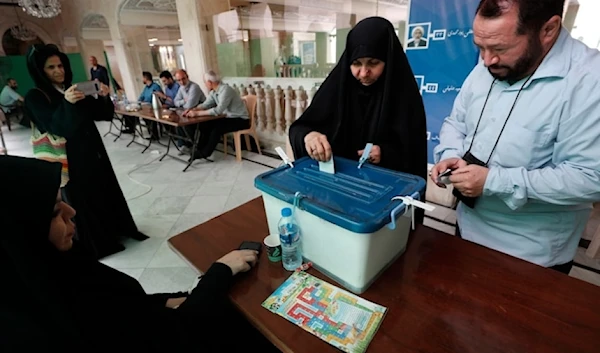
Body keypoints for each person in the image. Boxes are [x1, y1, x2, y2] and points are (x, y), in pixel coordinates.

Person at [0, 156, 280, 352]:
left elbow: (126, 307)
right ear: (22, 233)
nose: (72, 213)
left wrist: (165, 301)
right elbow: (174, 335)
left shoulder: (52, 271)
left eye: (65, 203)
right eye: (54, 213)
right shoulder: (52, 325)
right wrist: (219, 271)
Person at [429, 0, 600, 274]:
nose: (486, 60)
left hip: (531, 254)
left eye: (499, 49)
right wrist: (450, 154)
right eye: (480, 48)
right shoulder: (487, 65)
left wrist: (495, 182)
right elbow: (456, 122)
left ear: (549, 29)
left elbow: (590, 177)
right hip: (466, 226)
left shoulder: (589, 80)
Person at [23, 44, 148, 259]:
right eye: (51, 67)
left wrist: (103, 97)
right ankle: (100, 241)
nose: (58, 71)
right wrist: (67, 103)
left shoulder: (73, 88)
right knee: (85, 198)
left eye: (60, 65)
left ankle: (118, 229)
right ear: (40, 71)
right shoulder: (36, 96)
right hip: (71, 158)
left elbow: (100, 114)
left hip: (93, 152)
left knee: (105, 189)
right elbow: (56, 126)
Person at [288, 17, 428, 178]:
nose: (363, 73)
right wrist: (309, 136)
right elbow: (299, 129)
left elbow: (413, 152)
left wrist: (385, 154)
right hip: (335, 184)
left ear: (389, 60)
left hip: (383, 189)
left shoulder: (404, 97)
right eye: (356, 63)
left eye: (373, 63)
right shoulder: (338, 87)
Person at [183, 70, 250, 160]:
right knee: (205, 124)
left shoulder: (226, 90)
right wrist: (192, 110)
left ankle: (205, 153)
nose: (205, 84)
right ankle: (199, 149)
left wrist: (197, 113)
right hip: (228, 117)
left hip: (240, 119)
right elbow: (205, 105)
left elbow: (218, 110)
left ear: (210, 82)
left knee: (217, 128)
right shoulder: (213, 92)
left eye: (205, 82)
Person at [138, 71, 162, 139]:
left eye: (142, 78)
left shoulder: (155, 86)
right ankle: (151, 132)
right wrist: (139, 101)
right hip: (145, 106)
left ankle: (154, 135)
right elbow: (142, 96)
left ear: (145, 78)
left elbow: (158, 98)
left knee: (150, 117)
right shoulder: (146, 88)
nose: (142, 80)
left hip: (154, 107)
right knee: (142, 115)